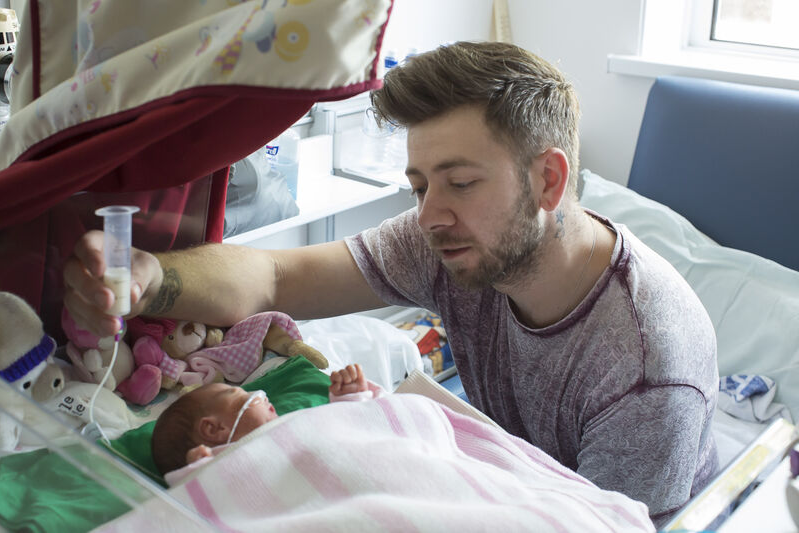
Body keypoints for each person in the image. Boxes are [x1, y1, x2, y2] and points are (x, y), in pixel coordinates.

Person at [64, 41, 718, 525]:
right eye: (419, 185)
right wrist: (151, 278)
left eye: (461, 182)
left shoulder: (645, 370)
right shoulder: (451, 238)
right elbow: (274, 275)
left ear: (548, 180)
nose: (429, 214)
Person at [152, 363, 377, 482]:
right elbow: (201, 501)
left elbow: (339, 433)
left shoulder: (291, 426)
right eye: (241, 395)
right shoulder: (221, 465)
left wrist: (350, 398)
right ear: (214, 428)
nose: (262, 395)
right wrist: (199, 473)